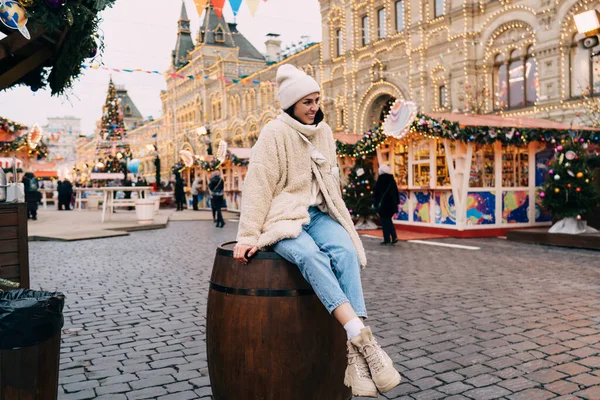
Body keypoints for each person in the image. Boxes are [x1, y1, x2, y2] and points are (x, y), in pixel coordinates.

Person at [233, 64, 401, 397]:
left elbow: (331, 179)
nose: (313, 107)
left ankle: (356, 350)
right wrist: (248, 236)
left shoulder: (322, 131)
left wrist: (335, 210)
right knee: (310, 256)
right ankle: (365, 342)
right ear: (291, 104)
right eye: (307, 102)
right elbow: (258, 186)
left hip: (319, 213)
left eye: (316, 100)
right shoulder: (273, 133)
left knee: (345, 251)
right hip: (283, 215)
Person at [373, 164, 400, 245]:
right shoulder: (392, 180)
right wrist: (396, 203)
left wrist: (375, 203)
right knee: (388, 220)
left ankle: (389, 237)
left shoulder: (381, 180)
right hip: (391, 205)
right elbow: (396, 193)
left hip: (384, 205)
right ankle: (390, 237)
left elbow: (377, 193)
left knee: (385, 221)